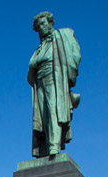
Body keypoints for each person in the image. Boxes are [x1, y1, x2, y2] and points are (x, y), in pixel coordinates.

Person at [28, 11, 81, 158]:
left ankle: (54, 146)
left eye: (43, 23)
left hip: (55, 77)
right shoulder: (39, 48)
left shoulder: (64, 35)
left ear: (51, 23)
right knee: (43, 115)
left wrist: (68, 75)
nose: (41, 28)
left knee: (53, 110)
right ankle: (44, 148)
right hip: (39, 80)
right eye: (38, 26)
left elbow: (75, 55)